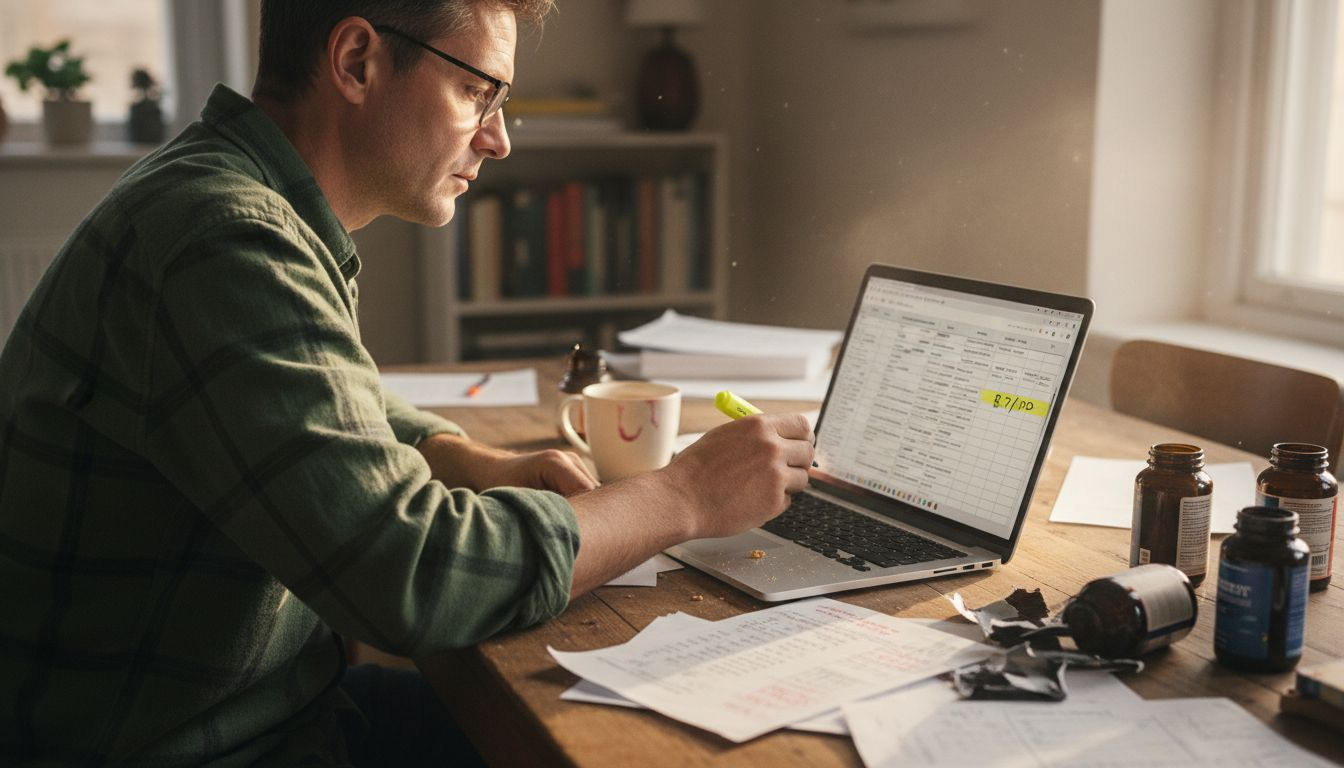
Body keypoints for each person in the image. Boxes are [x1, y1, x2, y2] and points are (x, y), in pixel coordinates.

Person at [0, 0, 814, 765]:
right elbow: (415, 575)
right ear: (357, 61)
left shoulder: (227, 195)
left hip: (256, 708)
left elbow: (326, 392)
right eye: (478, 92)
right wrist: (683, 496)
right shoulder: (226, 238)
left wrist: (462, 457)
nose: (498, 140)